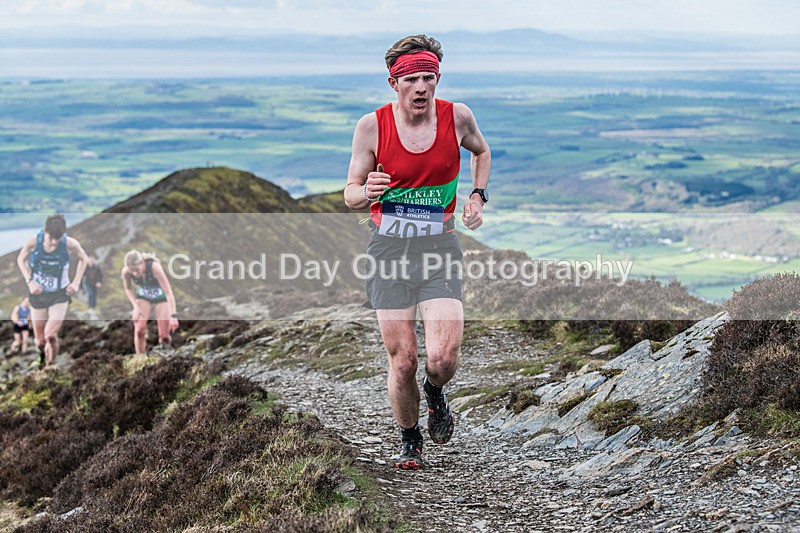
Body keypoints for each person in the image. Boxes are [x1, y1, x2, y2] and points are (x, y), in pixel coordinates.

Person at [344, 35, 490, 470]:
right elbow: (351, 190)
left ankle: (435, 393)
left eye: (429, 77)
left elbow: (481, 152)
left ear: (438, 78)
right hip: (388, 249)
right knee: (403, 358)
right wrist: (363, 190)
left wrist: (478, 196)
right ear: (395, 83)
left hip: (439, 248)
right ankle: (410, 438)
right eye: (412, 79)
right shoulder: (372, 127)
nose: (422, 86)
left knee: (442, 358)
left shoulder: (457, 117)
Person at [16, 214, 89, 368]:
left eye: (58, 237)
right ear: (45, 231)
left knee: (50, 335)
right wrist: (30, 281)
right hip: (38, 295)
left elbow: (84, 259)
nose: (55, 242)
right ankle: (42, 356)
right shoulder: (34, 242)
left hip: (59, 294)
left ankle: (51, 365)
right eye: (52, 237)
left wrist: (76, 282)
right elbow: (20, 259)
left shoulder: (70, 243)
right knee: (40, 341)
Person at [121, 250, 179, 354]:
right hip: (143, 295)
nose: (134, 273)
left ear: (142, 263)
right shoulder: (126, 271)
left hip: (161, 296)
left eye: (137, 270)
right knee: (139, 331)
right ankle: (140, 358)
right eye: (132, 271)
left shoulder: (154, 268)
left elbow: (168, 292)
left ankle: (165, 355)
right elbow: (128, 288)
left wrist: (173, 316)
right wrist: (136, 307)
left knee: (164, 336)